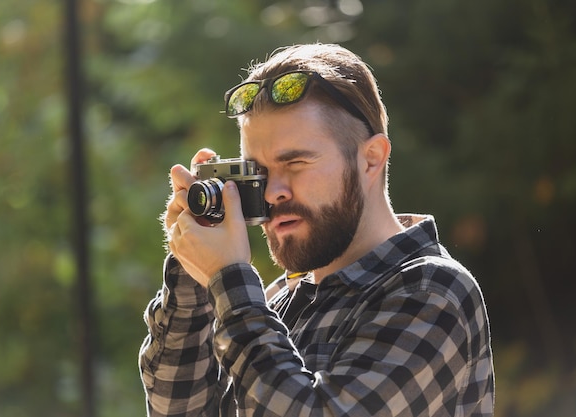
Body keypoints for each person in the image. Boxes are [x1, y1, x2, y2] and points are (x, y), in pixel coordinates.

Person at [139, 43, 494, 417]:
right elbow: (178, 409)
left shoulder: (432, 292)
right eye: (257, 172)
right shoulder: (274, 303)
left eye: (295, 163)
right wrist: (192, 270)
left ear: (371, 160)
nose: (273, 192)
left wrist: (229, 281)